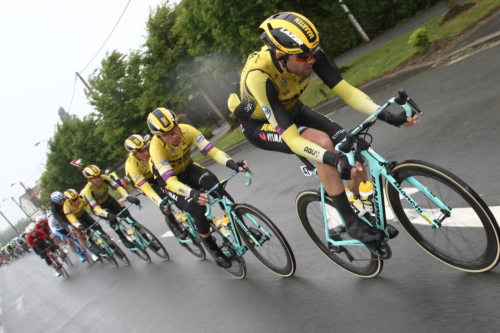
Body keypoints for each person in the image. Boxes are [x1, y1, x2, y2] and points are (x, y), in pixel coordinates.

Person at [227, 12, 418, 253]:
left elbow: (346, 91)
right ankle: (350, 222)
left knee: (350, 144)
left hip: (292, 107)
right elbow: (292, 138)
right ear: (280, 55)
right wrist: (331, 159)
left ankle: (362, 211)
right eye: (304, 56)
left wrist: (387, 116)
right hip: (261, 125)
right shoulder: (259, 76)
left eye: (313, 52)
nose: (311, 60)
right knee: (324, 144)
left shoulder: (309, 54)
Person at [147, 107, 250, 268]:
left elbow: (212, 151)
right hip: (169, 180)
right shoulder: (156, 148)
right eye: (168, 134)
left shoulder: (187, 130)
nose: (175, 135)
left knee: (216, 186)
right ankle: (213, 248)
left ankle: (243, 230)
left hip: (188, 168)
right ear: (159, 136)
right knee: (197, 208)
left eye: (175, 128)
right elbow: (171, 181)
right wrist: (192, 193)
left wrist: (232, 164)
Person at [124, 134, 187, 239]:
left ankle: (188, 213)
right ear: (134, 155)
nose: (146, 153)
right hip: (143, 183)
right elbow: (147, 188)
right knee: (162, 197)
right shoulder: (131, 166)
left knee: (174, 188)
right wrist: (159, 202)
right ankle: (175, 227)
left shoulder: (152, 150)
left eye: (146, 148)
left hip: (155, 173)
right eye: (141, 152)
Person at [80, 165, 139, 248]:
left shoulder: (105, 178)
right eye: (95, 178)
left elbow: (118, 188)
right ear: (89, 180)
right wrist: (107, 215)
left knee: (127, 216)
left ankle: (147, 239)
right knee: (112, 218)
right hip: (98, 208)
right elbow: (96, 208)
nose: (99, 178)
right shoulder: (88, 190)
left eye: (99, 176)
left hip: (109, 200)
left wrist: (128, 197)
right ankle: (123, 238)